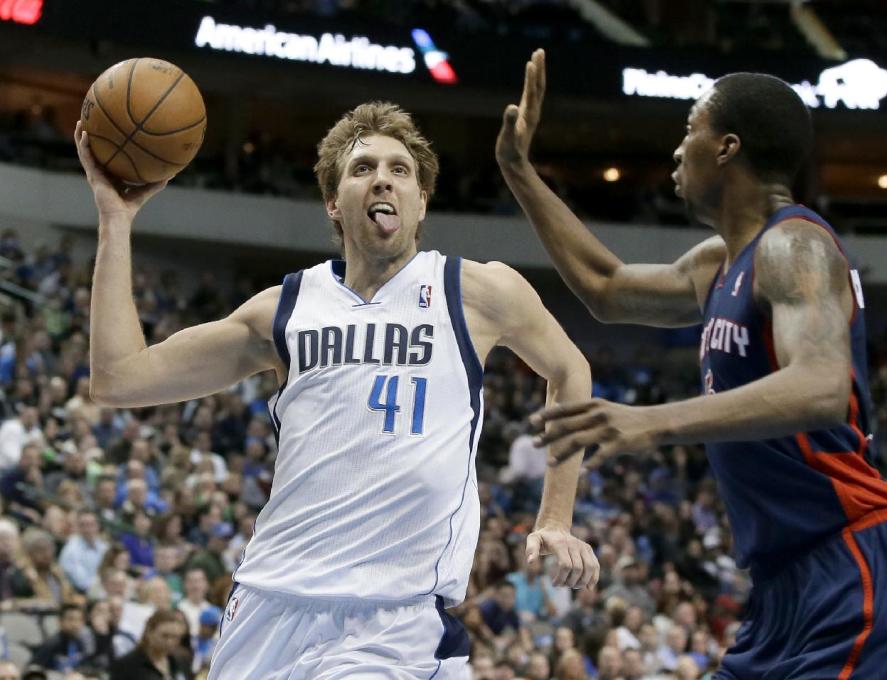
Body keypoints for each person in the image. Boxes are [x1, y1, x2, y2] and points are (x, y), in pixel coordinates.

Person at [75, 99, 599, 679]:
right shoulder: (285, 308)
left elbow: (569, 370)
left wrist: (554, 517)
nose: (384, 179)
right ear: (333, 202)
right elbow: (118, 379)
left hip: (395, 619)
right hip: (267, 602)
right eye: (363, 168)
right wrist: (115, 220)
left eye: (401, 171)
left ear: (421, 202)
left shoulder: (477, 291)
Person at [497, 49, 887, 678]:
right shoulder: (717, 264)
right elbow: (606, 286)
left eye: (690, 130)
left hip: (856, 573)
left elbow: (820, 384)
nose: (679, 150)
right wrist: (518, 171)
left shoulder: (796, 245)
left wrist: (649, 423)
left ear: (728, 147)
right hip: (779, 594)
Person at [109, 609, 188, 680]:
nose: (169, 642)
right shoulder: (127, 665)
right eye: (164, 636)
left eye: (175, 637)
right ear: (149, 632)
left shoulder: (180, 662)